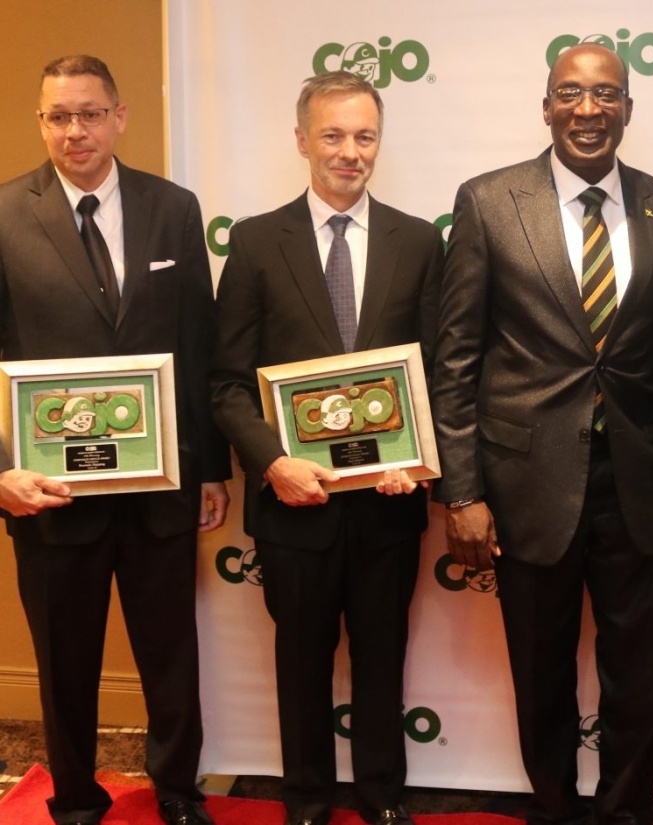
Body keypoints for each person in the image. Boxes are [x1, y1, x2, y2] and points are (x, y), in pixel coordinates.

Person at [431, 43, 653, 825]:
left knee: (637, 678)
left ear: (628, 110)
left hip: (640, 482)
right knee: (540, 672)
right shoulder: (487, 201)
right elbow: (456, 358)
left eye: (606, 94)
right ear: (546, 107)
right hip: (526, 484)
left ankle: (625, 813)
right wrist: (464, 489)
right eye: (570, 94)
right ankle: (554, 809)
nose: (589, 109)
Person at [0, 55, 230, 825]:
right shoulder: (2, 216)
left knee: (171, 653)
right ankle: (73, 800)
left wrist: (211, 467)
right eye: (58, 116)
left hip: (162, 485)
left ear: (120, 116)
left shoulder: (174, 208)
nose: (75, 131)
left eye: (90, 113)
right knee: (65, 662)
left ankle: (177, 790)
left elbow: (198, 341)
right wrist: (0, 470)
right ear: (40, 122)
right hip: (52, 494)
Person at [210, 71, 444, 825]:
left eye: (365, 135)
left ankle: (382, 795)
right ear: (303, 138)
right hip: (293, 505)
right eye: (334, 135)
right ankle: (306, 797)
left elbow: (436, 369)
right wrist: (272, 463)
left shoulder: (418, 240)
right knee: (300, 662)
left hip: (388, 505)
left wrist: (414, 458)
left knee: (383, 660)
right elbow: (226, 383)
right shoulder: (253, 242)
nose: (350, 152)